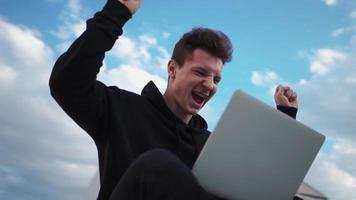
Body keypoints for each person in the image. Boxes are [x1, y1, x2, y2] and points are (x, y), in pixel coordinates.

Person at [49, 0, 298, 199]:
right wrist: (117, 11)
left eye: (217, 79)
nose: (210, 85)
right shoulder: (121, 108)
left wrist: (285, 120)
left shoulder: (212, 148)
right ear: (172, 69)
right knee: (157, 165)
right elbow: (67, 83)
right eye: (201, 72)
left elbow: (259, 187)